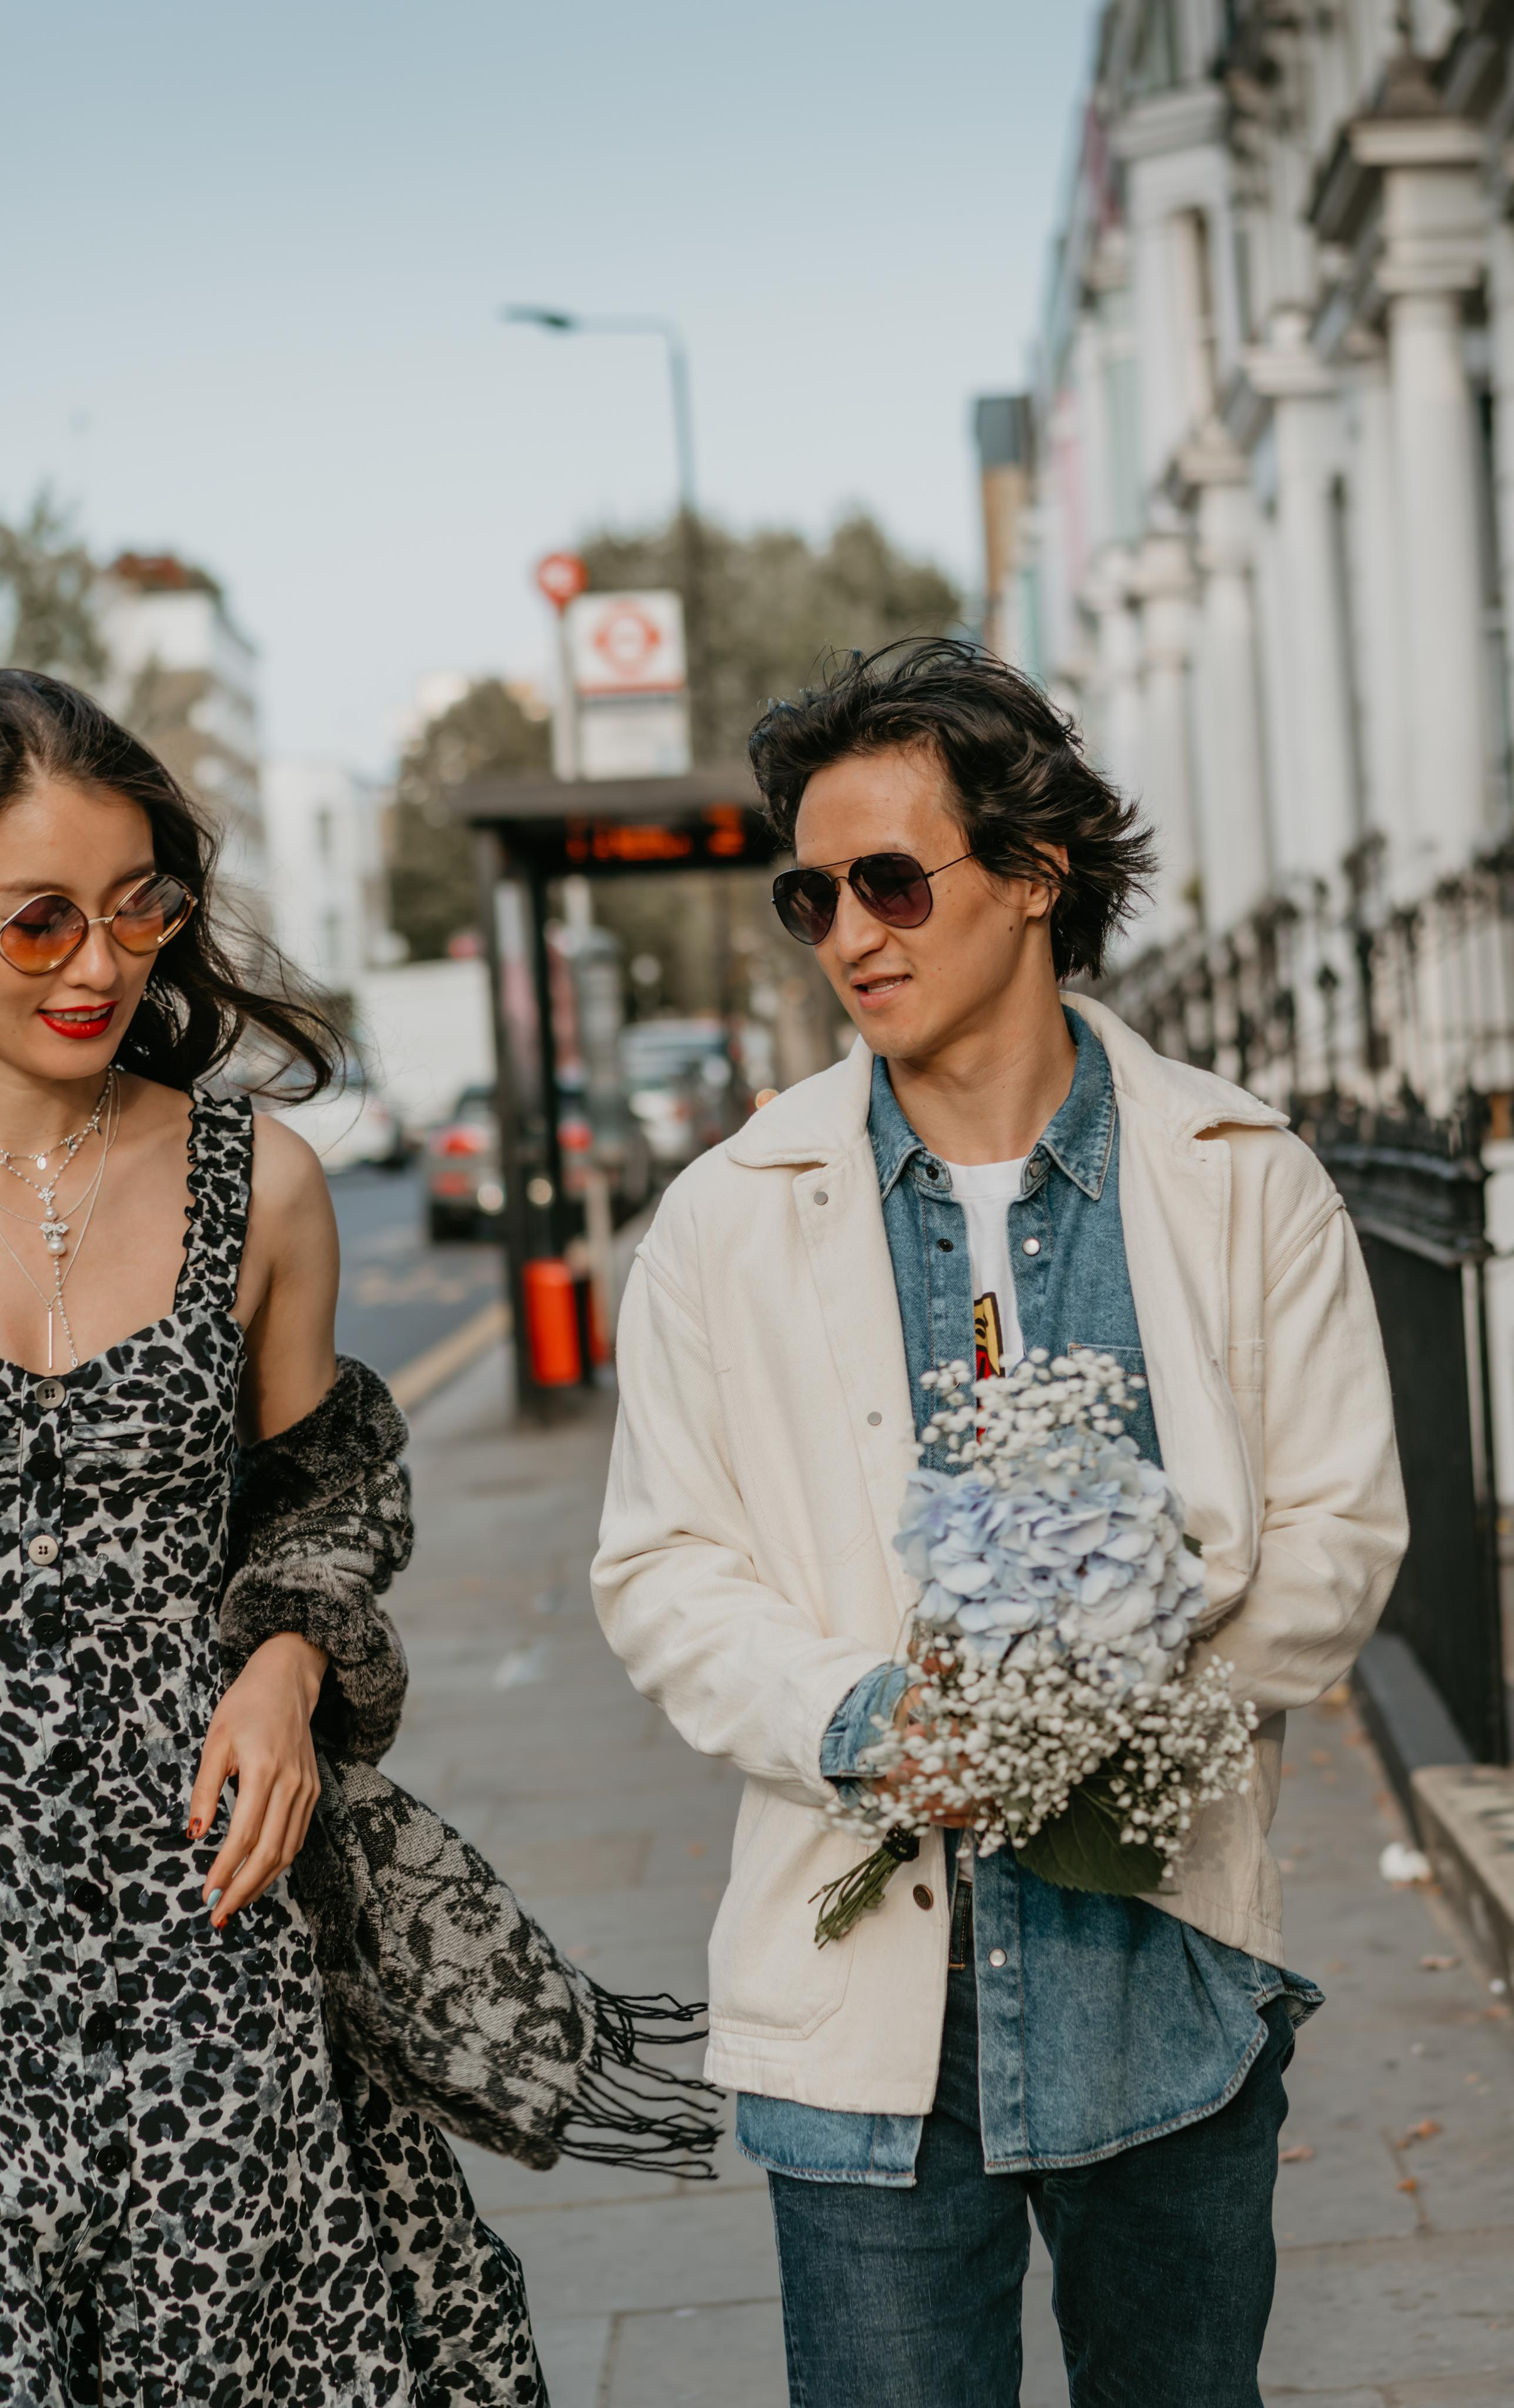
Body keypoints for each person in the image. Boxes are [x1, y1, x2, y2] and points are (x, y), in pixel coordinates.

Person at [593, 639, 1408, 2407]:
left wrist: (1111, 1711)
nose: (850, 934)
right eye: (813, 896)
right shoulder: (729, 1218)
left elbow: (1342, 1530)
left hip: (1163, 1973)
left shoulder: (1241, 1176)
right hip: (866, 2001)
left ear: (1035, 872)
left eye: (892, 880)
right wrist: (871, 1722)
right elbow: (661, 1568)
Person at [0, 671, 544, 2405]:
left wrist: (284, 1666)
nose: (99, 965)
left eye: (140, 907)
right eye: (38, 920)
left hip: (203, 1897)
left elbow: (322, 1489)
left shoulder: (266, 1182)